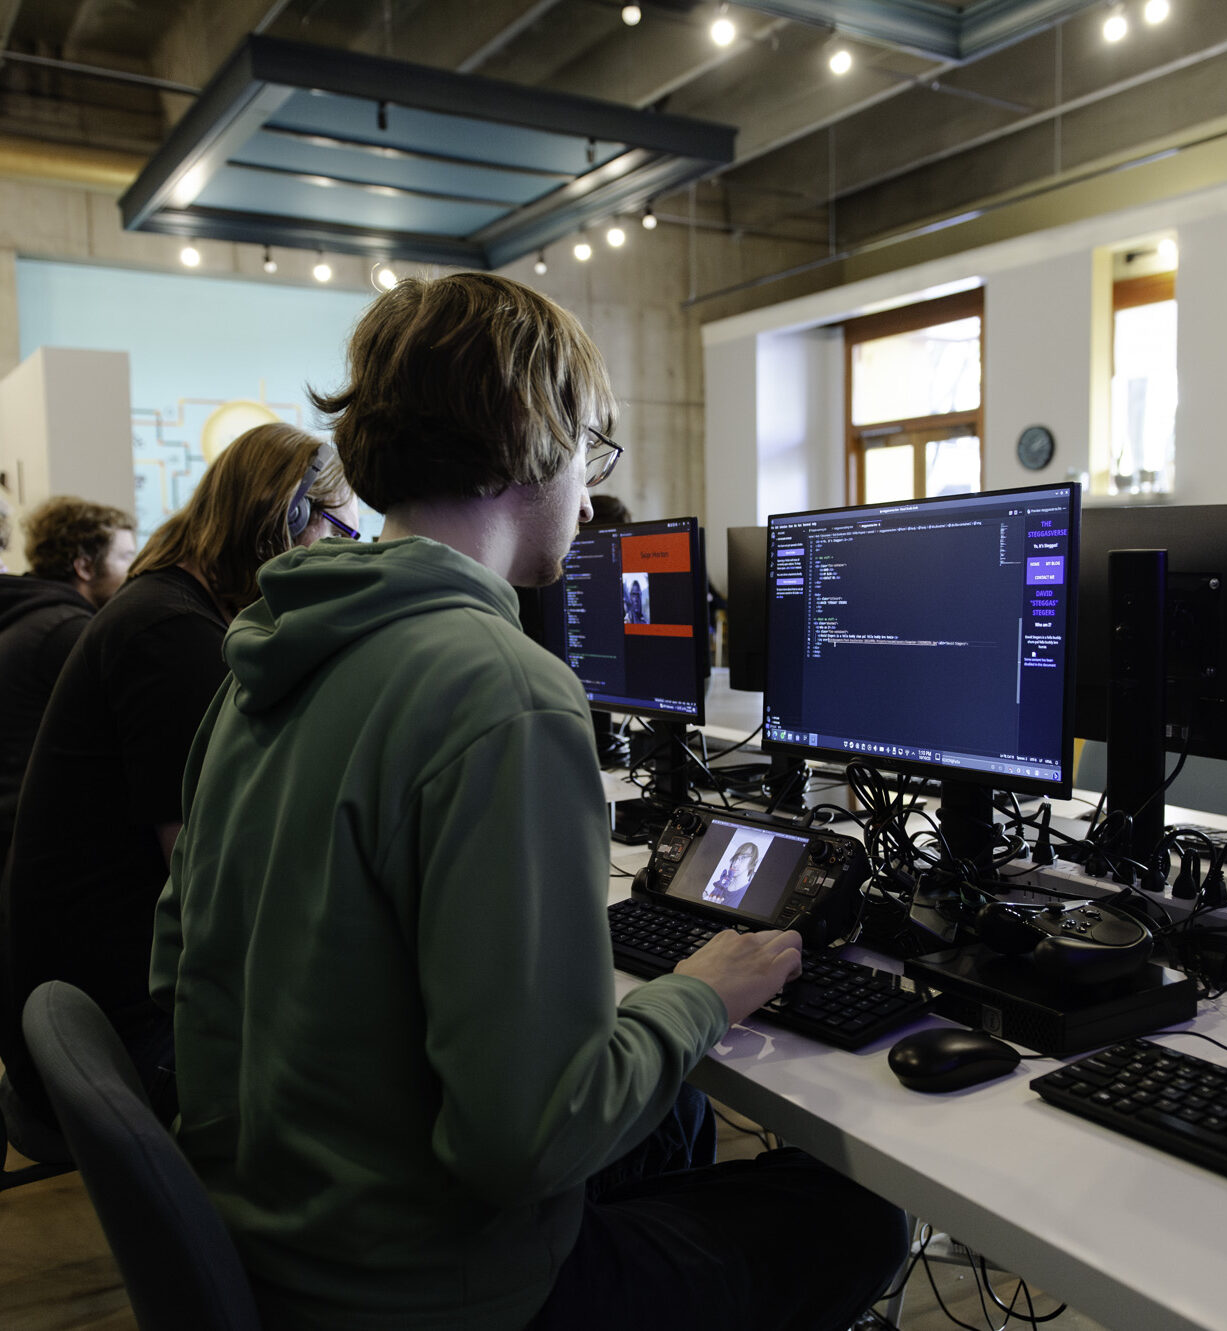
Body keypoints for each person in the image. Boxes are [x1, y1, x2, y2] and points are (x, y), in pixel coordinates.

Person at [150, 273, 907, 1331]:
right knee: (861, 1215)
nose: (591, 498)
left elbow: (176, 961)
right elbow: (523, 1139)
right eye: (589, 449)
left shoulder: (258, 663)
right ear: (529, 434)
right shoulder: (503, 691)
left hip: (276, 1240)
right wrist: (701, 992)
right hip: (440, 1291)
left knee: (672, 1118)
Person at [0, 424, 357, 1128]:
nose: (346, 558)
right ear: (283, 519)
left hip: (90, 1005)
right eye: (341, 533)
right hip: (131, 1027)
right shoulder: (173, 636)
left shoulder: (161, 607)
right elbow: (205, 885)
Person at [0, 497, 136, 863]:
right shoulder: (68, 632)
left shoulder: (34, 616)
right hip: (34, 843)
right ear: (84, 567)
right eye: (125, 557)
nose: (134, 571)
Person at [704, 841, 760, 909]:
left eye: (743, 858)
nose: (735, 864)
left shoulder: (751, 894)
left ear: (754, 861)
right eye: (736, 858)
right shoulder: (722, 885)